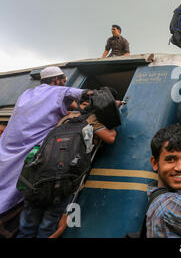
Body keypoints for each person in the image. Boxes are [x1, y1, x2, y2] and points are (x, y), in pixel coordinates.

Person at [16, 96, 118, 238]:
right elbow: (110, 137)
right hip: (63, 182)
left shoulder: (67, 117)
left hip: (38, 179)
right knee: (47, 227)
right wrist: (112, 121)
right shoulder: (92, 119)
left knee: (27, 226)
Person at [0, 66, 90, 217]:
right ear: (56, 80)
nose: (65, 83)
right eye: (64, 80)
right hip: (27, 151)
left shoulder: (27, 94)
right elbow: (83, 94)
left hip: (7, 148)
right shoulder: (58, 91)